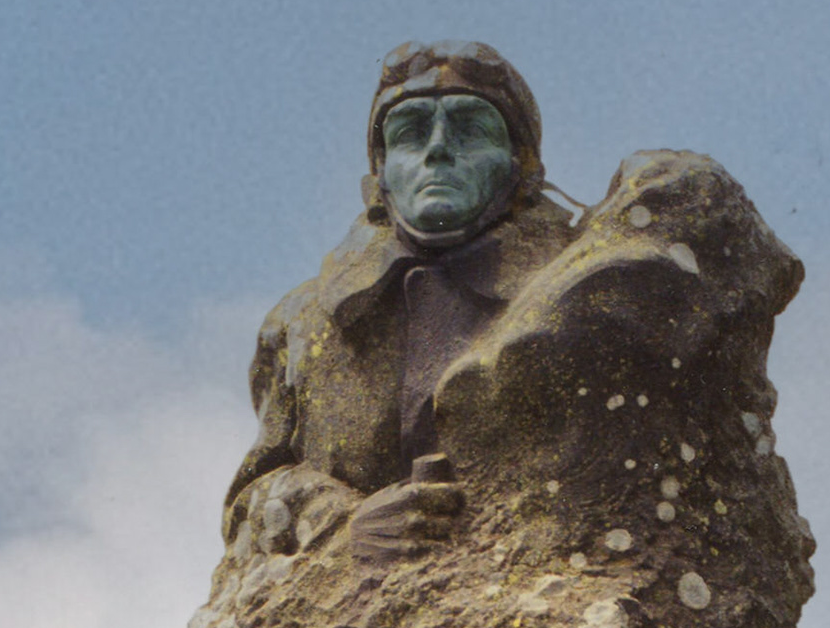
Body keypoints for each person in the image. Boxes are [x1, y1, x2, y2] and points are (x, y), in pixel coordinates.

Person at [224, 42, 580, 566]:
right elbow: (249, 505)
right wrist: (338, 525)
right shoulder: (302, 324)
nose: (438, 149)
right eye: (410, 133)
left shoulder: (580, 289)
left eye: (470, 129)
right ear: (381, 172)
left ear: (518, 164)